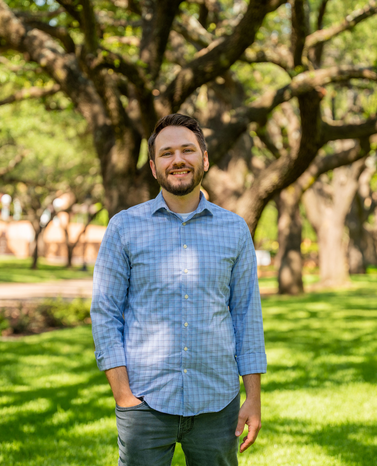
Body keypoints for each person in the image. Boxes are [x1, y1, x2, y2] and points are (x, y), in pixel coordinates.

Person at [91, 113, 267, 466]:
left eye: (187, 150)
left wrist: (253, 397)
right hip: (144, 402)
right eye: (167, 153)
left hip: (218, 404)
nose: (178, 160)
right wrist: (123, 395)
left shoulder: (234, 230)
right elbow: (105, 313)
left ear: (204, 159)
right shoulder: (124, 227)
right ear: (154, 167)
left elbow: (246, 314)